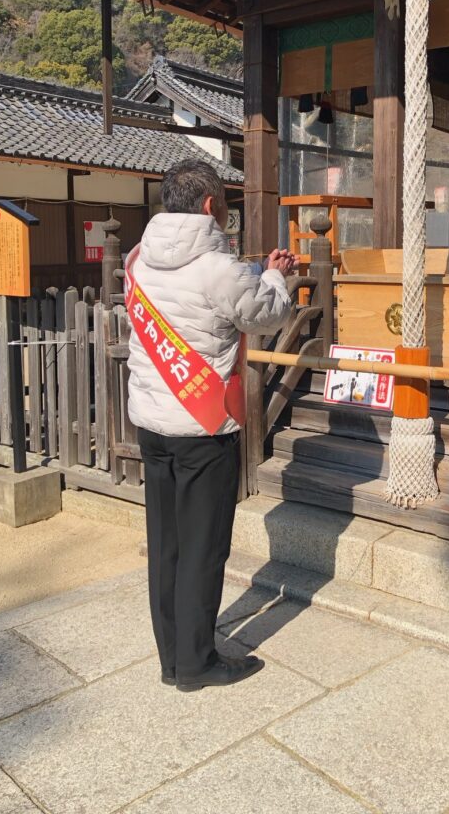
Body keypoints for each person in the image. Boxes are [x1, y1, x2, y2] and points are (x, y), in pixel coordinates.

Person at [127, 159, 294, 692]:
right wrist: (276, 276)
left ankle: (172, 657)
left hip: (152, 423)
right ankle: (197, 664)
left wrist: (258, 272)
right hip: (202, 428)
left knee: (167, 545)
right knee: (203, 547)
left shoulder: (138, 259)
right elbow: (265, 314)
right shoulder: (219, 268)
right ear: (208, 205)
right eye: (223, 203)